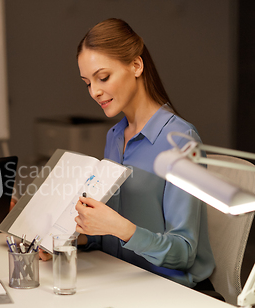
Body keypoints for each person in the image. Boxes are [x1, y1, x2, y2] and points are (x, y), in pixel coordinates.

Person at [46, 18, 215, 290]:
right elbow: (110, 236)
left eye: (103, 77)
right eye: (87, 83)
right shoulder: (114, 137)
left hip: (168, 291)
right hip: (119, 280)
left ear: (136, 65)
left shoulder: (181, 143)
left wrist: (121, 228)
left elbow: (183, 253)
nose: (95, 91)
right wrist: (68, 240)